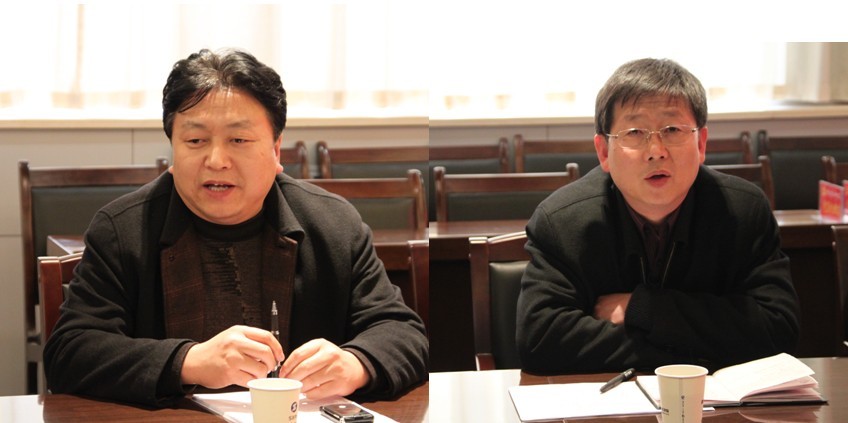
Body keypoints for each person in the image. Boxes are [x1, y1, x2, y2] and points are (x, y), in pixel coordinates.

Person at [43, 48, 428, 407]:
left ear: (276, 150)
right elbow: (70, 352)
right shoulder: (123, 229)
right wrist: (189, 362)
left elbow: (402, 331)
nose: (216, 160)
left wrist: (356, 364)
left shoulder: (333, 224)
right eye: (195, 140)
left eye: (239, 139)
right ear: (173, 149)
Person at [515, 58, 800, 374]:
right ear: (604, 152)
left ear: (701, 143)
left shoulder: (743, 211)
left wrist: (642, 308)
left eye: (673, 129)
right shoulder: (562, 221)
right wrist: (696, 345)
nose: (656, 150)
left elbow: (778, 329)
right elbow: (541, 342)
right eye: (635, 132)